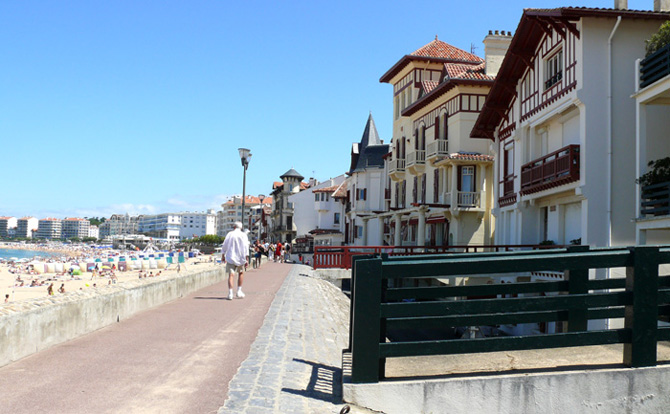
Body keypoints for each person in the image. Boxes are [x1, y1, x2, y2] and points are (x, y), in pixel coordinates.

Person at [221, 221, 250, 300]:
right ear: (241, 228)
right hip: (240, 257)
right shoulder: (243, 235)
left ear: (234, 227)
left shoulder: (230, 234)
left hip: (231, 257)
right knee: (240, 273)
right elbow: (246, 247)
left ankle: (230, 293)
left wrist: (223, 255)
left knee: (231, 275)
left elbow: (225, 245)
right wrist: (247, 259)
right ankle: (239, 291)